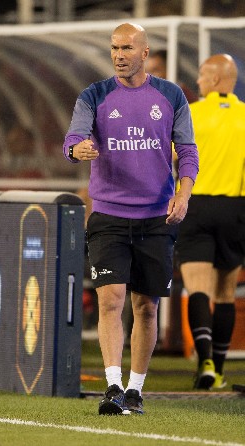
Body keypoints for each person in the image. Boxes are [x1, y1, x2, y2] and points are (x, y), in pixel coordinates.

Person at [63, 23, 198, 415]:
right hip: (108, 214)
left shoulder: (170, 95)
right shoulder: (94, 95)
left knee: (146, 307)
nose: (119, 54)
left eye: (126, 47)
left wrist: (183, 193)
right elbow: (72, 140)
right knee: (111, 300)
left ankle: (136, 390)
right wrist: (79, 149)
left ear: (145, 52)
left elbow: (188, 151)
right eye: (114, 48)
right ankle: (112, 386)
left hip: (157, 216)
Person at [176, 54, 245, 390]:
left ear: (217, 79)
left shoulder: (191, 113)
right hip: (236, 208)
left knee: (197, 288)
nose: (199, 81)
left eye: (203, 75)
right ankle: (218, 368)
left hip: (196, 205)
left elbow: (171, 155)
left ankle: (203, 361)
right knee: (226, 294)